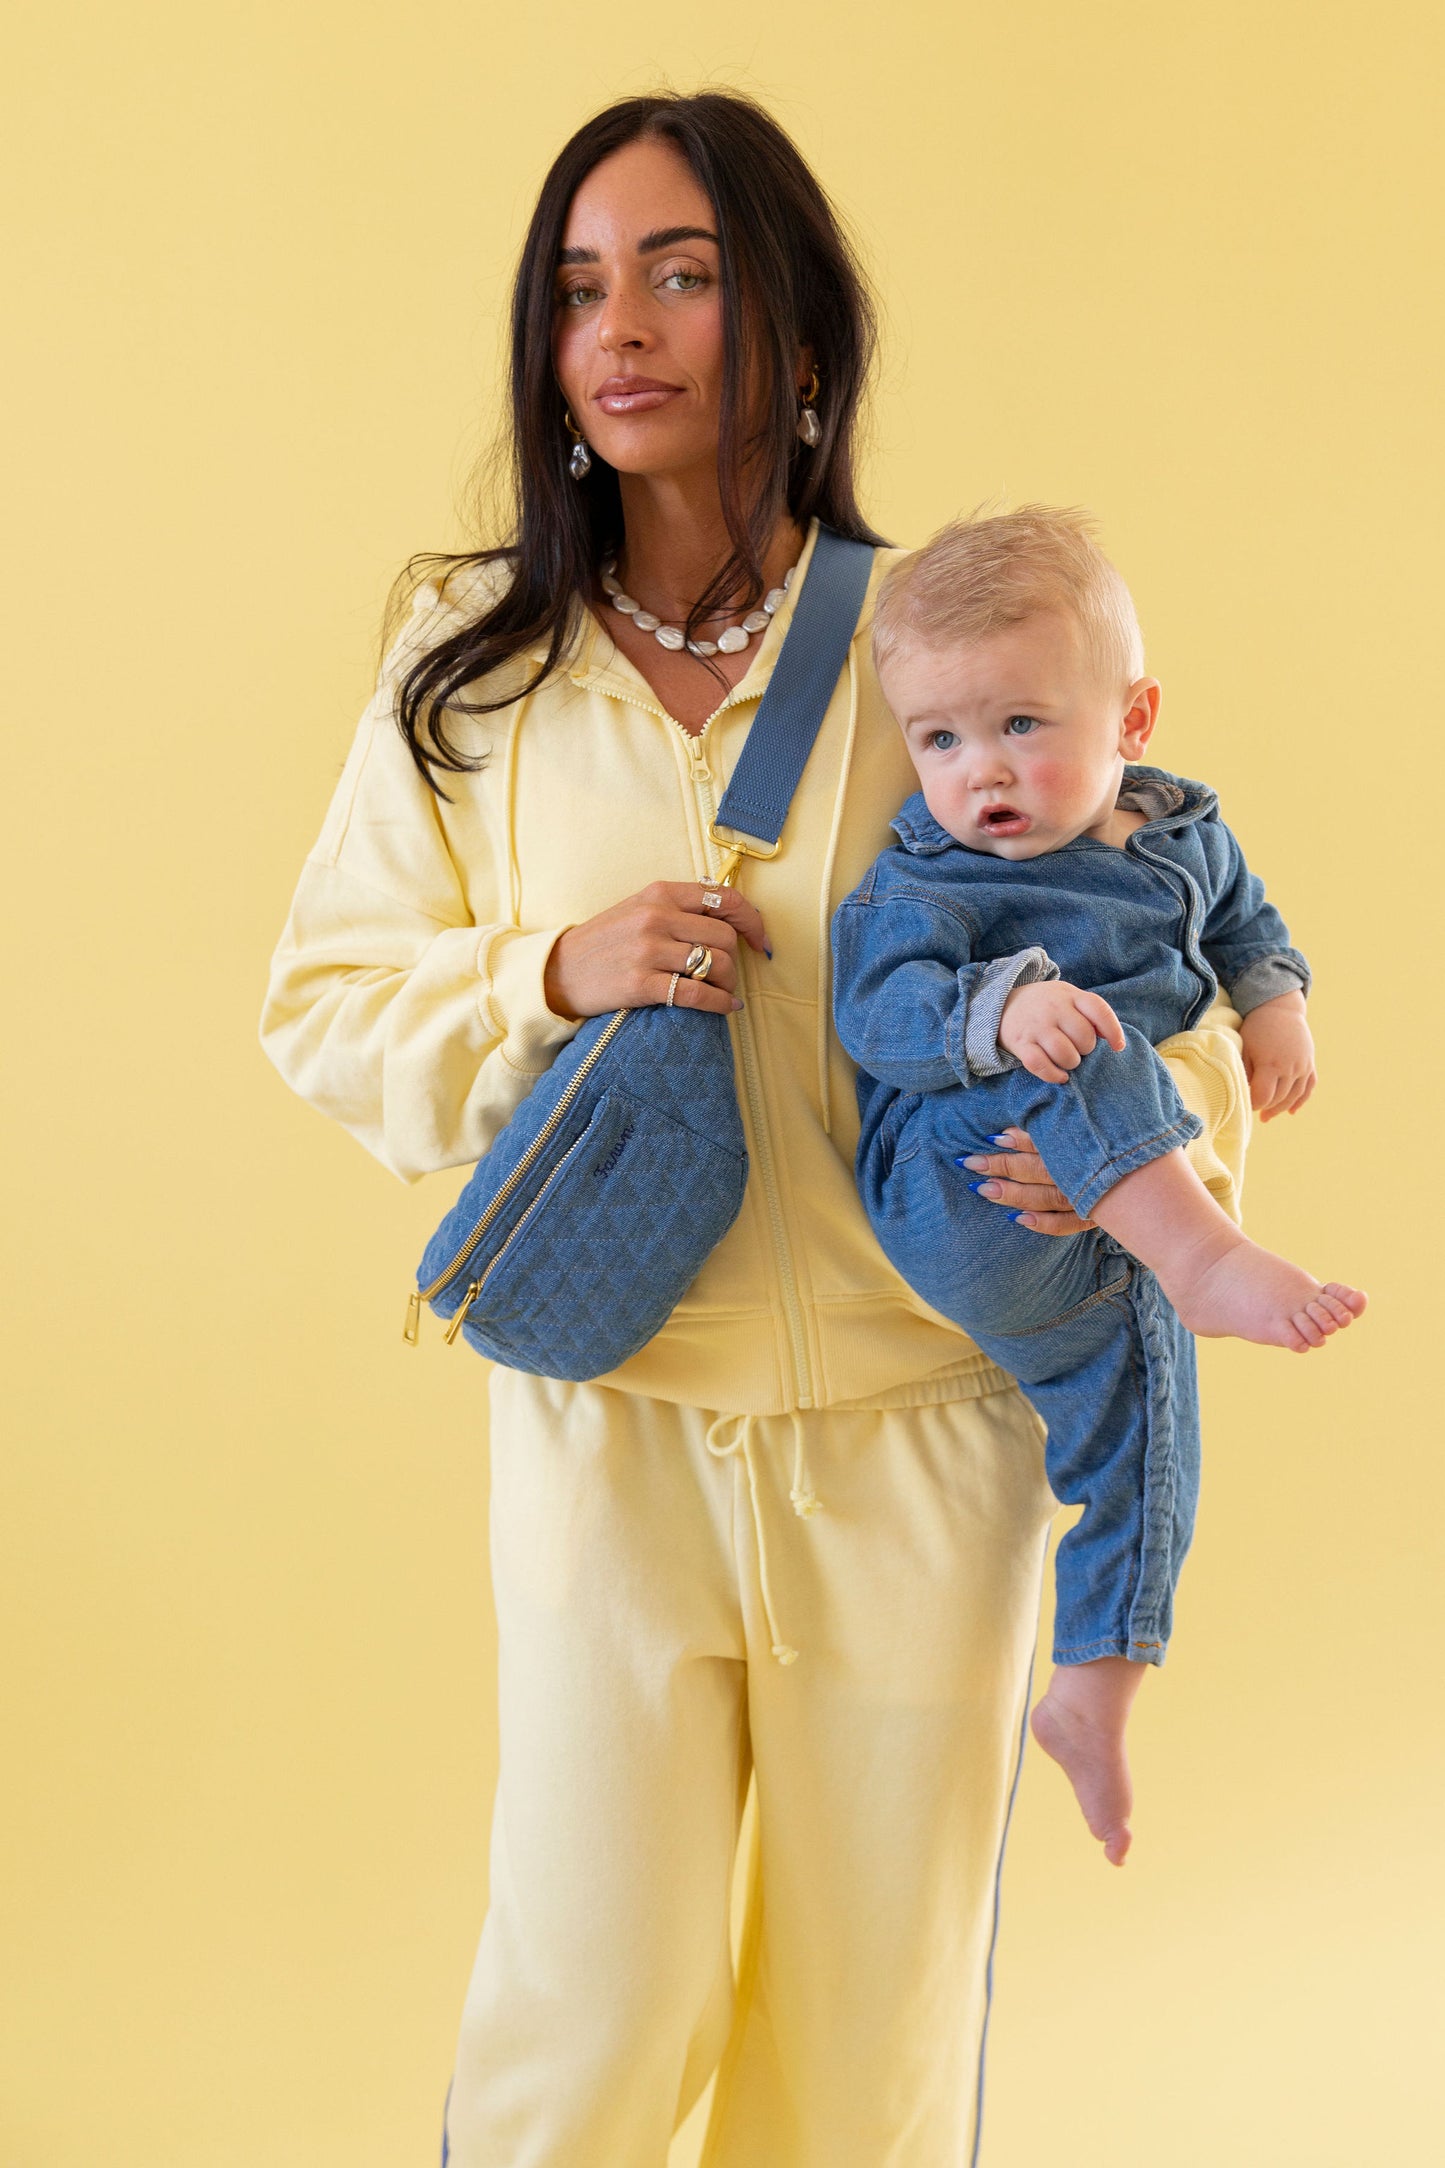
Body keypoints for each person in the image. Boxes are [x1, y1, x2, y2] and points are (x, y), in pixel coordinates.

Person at [258, 93, 1254, 2168]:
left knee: (869, 2040)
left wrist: (1148, 1185)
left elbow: (1163, 940)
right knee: (584, 2013)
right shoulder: (470, 666)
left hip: (923, 1441)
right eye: (580, 285)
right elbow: (327, 1007)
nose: (622, 327)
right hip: (610, 1433)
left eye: (684, 273)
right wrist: (550, 972)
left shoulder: (939, 640)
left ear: (791, 326)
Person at [831, 507, 1366, 1868]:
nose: (978, 772)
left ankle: (1096, 1686)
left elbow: (1248, 925)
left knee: (1146, 1422)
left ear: (1130, 717)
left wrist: (1275, 1004)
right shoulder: (926, 875)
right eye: (938, 739)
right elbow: (876, 1017)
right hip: (963, 1184)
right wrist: (998, 1013)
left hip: (1093, 1222)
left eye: (1020, 724)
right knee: (1082, 1029)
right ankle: (1202, 1259)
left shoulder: (1183, 830)